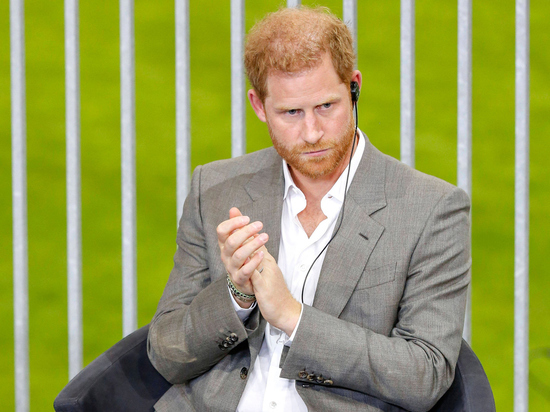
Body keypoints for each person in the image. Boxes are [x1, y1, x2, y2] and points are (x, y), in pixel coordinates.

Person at [148, 6, 470, 412]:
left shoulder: (431, 209)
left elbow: (425, 374)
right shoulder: (213, 190)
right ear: (259, 106)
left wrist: (293, 317)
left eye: (326, 107)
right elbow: (167, 353)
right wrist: (237, 296)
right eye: (291, 113)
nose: (313, 133)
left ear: (354, 88)